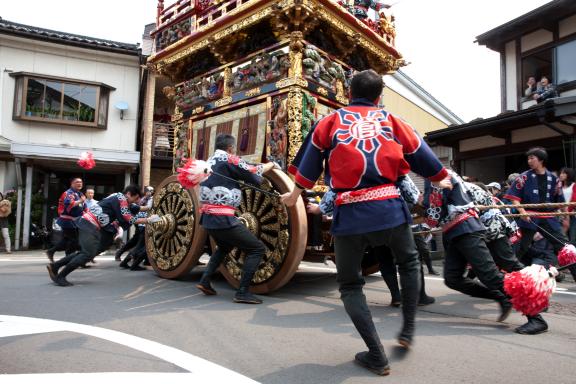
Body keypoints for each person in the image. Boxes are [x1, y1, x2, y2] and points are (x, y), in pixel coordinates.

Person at [281, 70, 450, 376]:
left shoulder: (329, 122)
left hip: (350, 215)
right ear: (379, 96)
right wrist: (442, 178)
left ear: (349, 93)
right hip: (389, 209)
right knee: (409, 263)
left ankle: (376, 354)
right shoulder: (392, 120)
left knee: (349, 285)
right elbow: (419, 153)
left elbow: (309, 163)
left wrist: (294, 194)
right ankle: (408, 331)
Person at [195, 134, 275, 304]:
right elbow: (253, 172)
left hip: (208, 219)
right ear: (230, 148)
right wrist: (272, 165)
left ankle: (204, 281)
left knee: (224, 246)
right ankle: (242, 292)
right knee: (257, 248)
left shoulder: (209, 162)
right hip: (223, 219)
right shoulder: (228, 159)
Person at [425, 172, 513, 324]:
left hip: (467, 228)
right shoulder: (436, 175)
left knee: (492, 275)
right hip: (455, 231)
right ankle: (501, 297)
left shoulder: (436, 174)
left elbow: (433, 215)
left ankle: (535, 315)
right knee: (452, 278)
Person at [466, 181, 548, 334]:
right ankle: (531, 299)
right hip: (487, 234)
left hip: (494, 232)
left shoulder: (456, 187)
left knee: (510, 266)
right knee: (493, 271)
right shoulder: (461, 188)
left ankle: (536, 304)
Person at [46, 185, 160, 286]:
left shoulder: (117, 196)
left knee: (85, 253)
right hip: (89, 225)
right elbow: (127, 218)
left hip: (88, 224)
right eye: (134, 199)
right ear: (129, 194)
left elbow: (134, 208)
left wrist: (151, 207)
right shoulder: (122, 200)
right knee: (87, 255)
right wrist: (148, 220)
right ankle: (61, 276)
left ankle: (55, 266)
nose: (132, 202)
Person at [503, 148, 576, 283]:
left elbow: (559, 201)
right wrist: (522, 212)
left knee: (565, 247)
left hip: (548, 217)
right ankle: (504, 277)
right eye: (528, 158)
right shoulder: (524, 176)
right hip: (529, 217)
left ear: (541, 160)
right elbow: (514, 197)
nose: (529, 161)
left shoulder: (553, 178)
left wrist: (565, 216)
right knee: (520, 248)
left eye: (532, 158)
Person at [46, 178, 85, 262]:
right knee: (73, 240)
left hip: (75, 221)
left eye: (81, 182)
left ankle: (51, 251)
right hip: (67, 220)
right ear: (72, 184)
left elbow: (82, 207)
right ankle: (69, 258)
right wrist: (80, 200)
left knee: (68, 239)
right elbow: (69, 203)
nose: (79, 183)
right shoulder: (68, 193)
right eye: (77, 182)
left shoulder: (79, 193)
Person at [119, 186, 154, 270]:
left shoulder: (141, 199)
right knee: (144, 246)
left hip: (142, 223)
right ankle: (133, 264)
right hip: (144, 223)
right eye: (149, 191)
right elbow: (146, 208)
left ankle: (126, 261)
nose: (151, 192)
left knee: (140, 245)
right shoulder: (142, 200)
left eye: (152, 191)